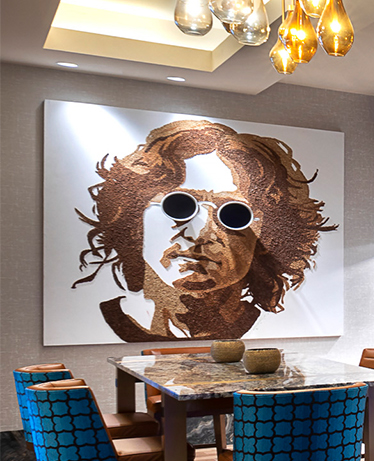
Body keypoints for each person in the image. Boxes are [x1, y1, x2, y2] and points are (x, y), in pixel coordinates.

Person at [72, 120, 336, 342]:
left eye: (233, 214)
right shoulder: (88, 323)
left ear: (268, 236)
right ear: (133, 220)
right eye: (179, 206)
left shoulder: (280, 332)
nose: (199, 234)